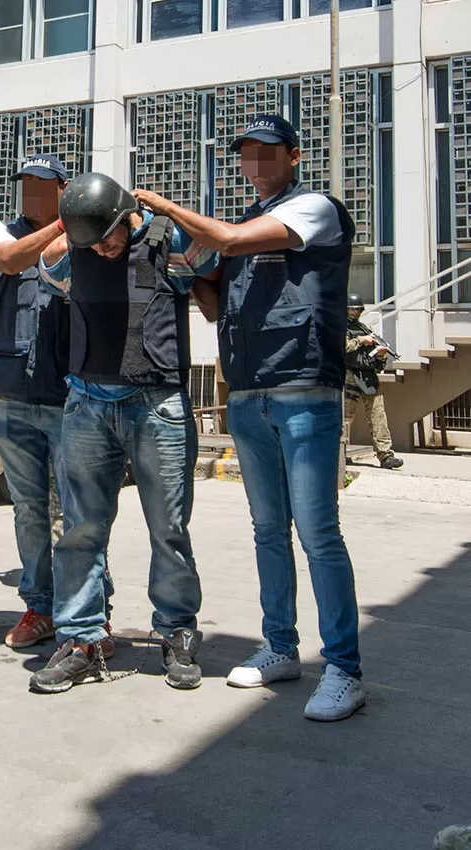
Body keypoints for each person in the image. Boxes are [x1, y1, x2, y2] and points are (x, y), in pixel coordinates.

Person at [133, 114, 366, 721]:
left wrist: (164, 207)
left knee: (318, 533)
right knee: (267, 531)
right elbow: (214, 305)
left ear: (293, 154)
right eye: (246, 154)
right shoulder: (238, 228)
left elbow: (234, 242)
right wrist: (189, 275)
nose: (255, 163)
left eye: (267, 152)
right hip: (247, 393)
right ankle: (280, 648)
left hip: (302, 389)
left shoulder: (314, 208)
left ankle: (343, 668)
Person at [28, 172, 217, 695]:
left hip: (158, 403)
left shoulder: (167, 242)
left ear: (125, 216)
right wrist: (70, 231)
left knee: (169, 528)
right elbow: (47, 267)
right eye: (93, 241)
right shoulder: (76, 248)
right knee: (81, 530)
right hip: (87, 403)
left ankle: (177, 630)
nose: (105, 251)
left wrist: (166, 213)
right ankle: (82, 638)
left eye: (109, 237)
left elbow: (211, 260)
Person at [0, 154, 117, 657]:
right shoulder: (3, 232)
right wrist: (65, 221)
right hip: (13, 396)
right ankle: (40, 606)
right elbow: (9, 260)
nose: (30, 194)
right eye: (25, 185)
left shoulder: (87, 237)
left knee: (78, 513)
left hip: (70, 398)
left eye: (42, 185)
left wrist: (79, 225)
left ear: (62, 187)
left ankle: (91, 613)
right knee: (29, 512)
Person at [344, 293, 402, 469]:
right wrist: (361, 340)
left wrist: (381, 356)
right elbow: (343, 347)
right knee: (345, 419)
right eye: (352, 309)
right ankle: (338, 453)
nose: (356, 312)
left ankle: (385, 455)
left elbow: (377, 364)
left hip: (368, 377)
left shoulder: (364, 328)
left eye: (359, 309)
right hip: (349, 377)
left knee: (378, 416)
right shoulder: (340, 327)